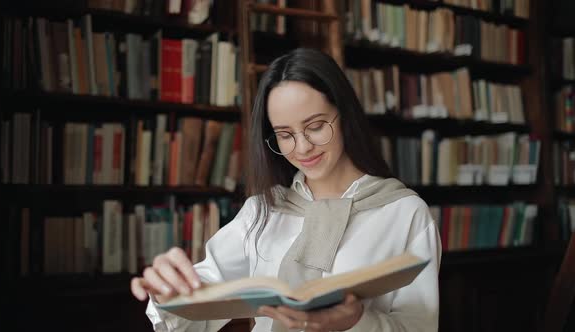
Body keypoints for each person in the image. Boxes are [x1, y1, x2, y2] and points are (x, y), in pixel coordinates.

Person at [131, 48, 442, 332]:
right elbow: (195, 313)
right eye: (284, 134)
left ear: (345, 115)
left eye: (316, 125)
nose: (303, 147)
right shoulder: (262, 211)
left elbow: (420, 327)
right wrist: (168, 291)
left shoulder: (403, 213)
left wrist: (358, 322)